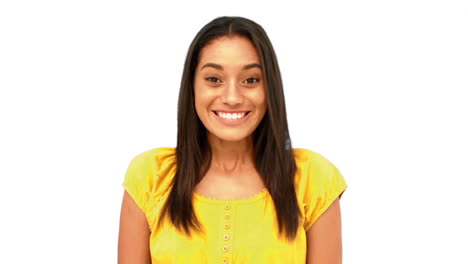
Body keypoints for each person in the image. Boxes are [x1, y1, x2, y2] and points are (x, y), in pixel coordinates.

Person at [118, 16, 347, 264]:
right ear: (192, 86)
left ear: (270, 87)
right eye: (214, 79)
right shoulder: (150, 176)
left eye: (251, 80)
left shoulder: (313, 179)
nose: (232, 97)